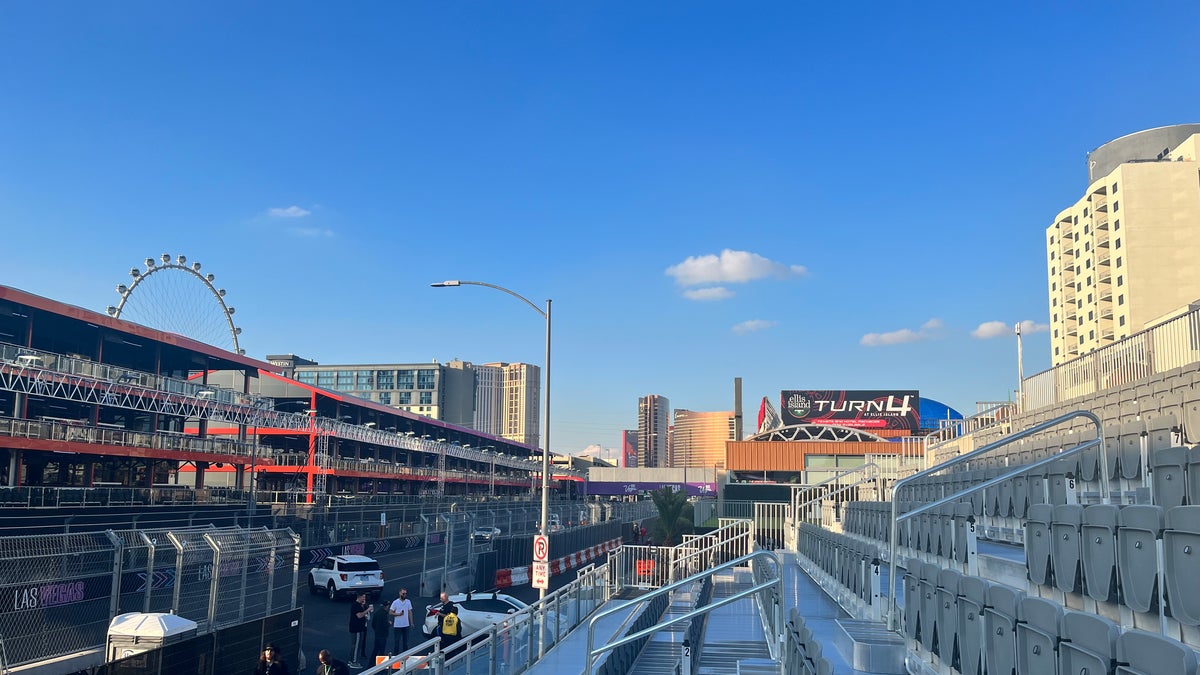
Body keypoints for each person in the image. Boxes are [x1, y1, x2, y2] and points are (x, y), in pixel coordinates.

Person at [347, 592, 370, 668]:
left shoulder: (360, 605)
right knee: (356, 645)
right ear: (359, 597)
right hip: (357, 629)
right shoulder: (355, 605)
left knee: (356, 645)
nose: (364, 599)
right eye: (363, 597)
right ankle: (354, 662)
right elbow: (359, 615)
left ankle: (351, 660)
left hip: (359, 628)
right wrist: (368, 610)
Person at [388, 587, 413, 655]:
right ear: (400, 593)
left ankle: (405, 655)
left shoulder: (408, 601)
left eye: (405, 593)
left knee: (406, 642)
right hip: (397, 625)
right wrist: (398, 614)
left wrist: (411, 622)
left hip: (406, 625)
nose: (405, 595)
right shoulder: (395, 602)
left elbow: (410, 612)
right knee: (397, 641)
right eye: (403, 593)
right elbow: (390, 612)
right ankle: (396, 656)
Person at [370, 596, 391, 661]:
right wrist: (389, 623)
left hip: (377, 634)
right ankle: (381, 667)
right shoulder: (384, 614)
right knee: (382, 651)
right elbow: (385, 625)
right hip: (383, 635)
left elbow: (373, 624)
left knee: (375, 650)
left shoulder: (377, 613)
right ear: (386, 606)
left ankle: (371, 665)